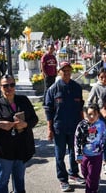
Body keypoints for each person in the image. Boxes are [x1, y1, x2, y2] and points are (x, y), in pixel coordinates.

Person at [0, 74, 38, 193]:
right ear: (0, 87)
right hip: (4, 151)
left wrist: (25, 125)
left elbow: (34, 119)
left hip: (21, 147)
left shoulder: (23, 100)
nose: (9, 88)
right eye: (5, 85)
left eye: (12, 85)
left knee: (19, 179)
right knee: (3, 180)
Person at [44, 61, 85, 192]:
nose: (66, 73)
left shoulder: (77, 87)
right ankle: (63, 179)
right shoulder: (53, 89)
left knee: (75, 152)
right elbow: (48, 110)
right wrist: (49, 129)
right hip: (59, 127)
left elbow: (80, 108)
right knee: (59, 154)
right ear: (58, 72)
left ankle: (73, 173)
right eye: (64, 71)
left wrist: (83, 125)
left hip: (74, 126)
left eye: (68, 71)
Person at [74, 103, 106, 193]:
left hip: (97, 155)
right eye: (89, 114)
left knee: (91, 177)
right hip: (85, 155)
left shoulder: (102, 124)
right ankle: (95, 180)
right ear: (85, 114)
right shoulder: (82, 125)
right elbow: (77, 140)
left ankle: (91, 190)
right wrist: (78, 154)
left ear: (98, 114)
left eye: (94, 114)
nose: (92, 116)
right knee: (85, 174)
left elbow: (104, 135)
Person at [86, 67, 106, 175]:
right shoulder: (96, 88)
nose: (104, 79)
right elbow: (89, 102)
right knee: (102, 140)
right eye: (101, 77)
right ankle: (104, 161)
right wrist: (92, 113)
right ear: (98, 77)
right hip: (101, 117)